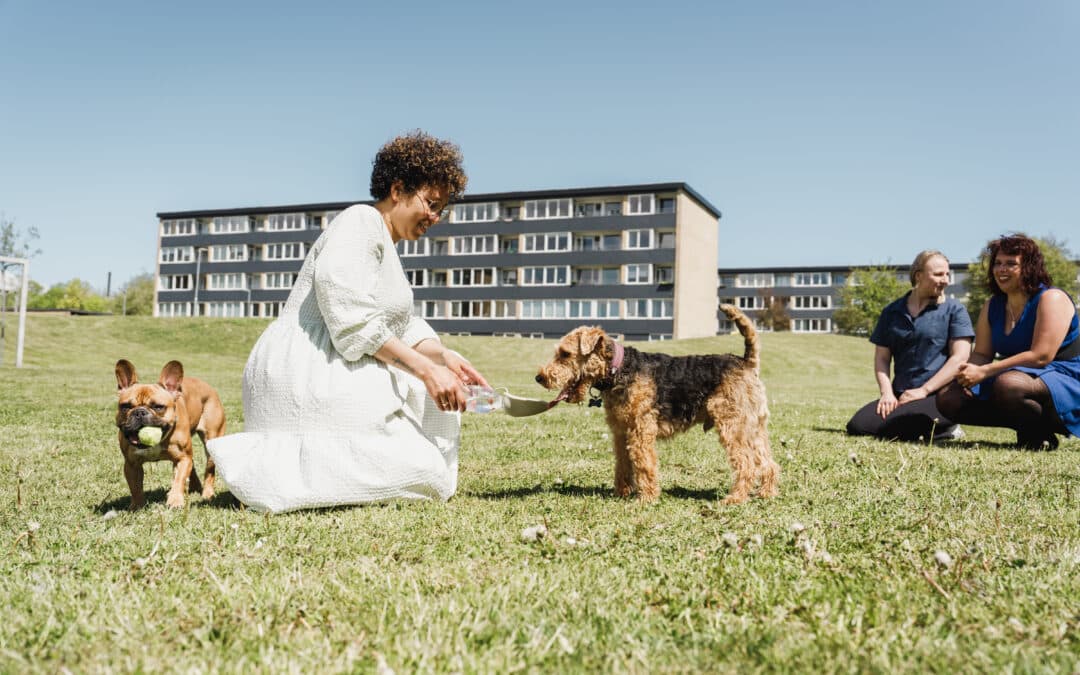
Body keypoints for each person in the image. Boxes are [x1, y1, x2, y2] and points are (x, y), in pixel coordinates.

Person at [207, 131, 490, 513]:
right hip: (309, 370)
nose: (435, 218)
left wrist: (443, 356)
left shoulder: (385, 245)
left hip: (331, 364)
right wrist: (425, 371)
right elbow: (350, 313)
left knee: (427, 471)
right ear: (397, 188)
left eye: (442, 209)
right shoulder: (360, 221)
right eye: (431, 203)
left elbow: (398, 324)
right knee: (424, 472)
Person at [936, 234, 1080, 450]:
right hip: (1014, 374)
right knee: (949, 397)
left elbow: (1041, 356)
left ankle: (1038, 434)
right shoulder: (992, 305)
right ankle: (1031, 428)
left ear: (1030, 267)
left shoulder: (1052, 298)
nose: (1001, 269)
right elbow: (982, 354)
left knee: (1009, 384)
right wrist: (969, 373)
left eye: (1011, 263)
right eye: (997, 263)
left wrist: (985, 372)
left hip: (1065, 375)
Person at [846, 250, 974, 441]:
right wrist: (887, 394)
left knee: (901, 424)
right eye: (939, 274)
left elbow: (960, 358)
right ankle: (936, 430)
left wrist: (924, 390)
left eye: (947, 274)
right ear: (918, 275)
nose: (946, 280)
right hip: (901, 395)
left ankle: (948, 428)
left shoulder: (955, 310)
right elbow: (882, 358)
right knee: (858, 425)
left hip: (940, 397)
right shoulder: (892, 312)